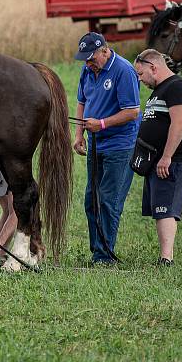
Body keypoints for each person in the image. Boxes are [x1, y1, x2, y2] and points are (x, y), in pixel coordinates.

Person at [72, 32, 140, 264]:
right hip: (96, 143)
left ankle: (104, 255)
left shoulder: (123, 70)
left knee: (108, 200)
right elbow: (82, 102)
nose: (88, 63)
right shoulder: (88, 70)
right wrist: (79, 133)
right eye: (85, 59)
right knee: (91, 198)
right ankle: (97, 249)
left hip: (119, 145)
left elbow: (132, 111)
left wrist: (101, 124)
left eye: (91, 58)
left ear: (104, 50)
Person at [134, 49, 182, 266]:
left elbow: (178, 124)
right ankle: (164, 255)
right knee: (159, 207)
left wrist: (167, 156)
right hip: (157, 159)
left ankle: (166, 258)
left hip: (175, 158)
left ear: (154, 67)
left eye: (141, 74)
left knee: (165, 208)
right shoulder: (160, 90)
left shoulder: (177, 87)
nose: (140, 79)